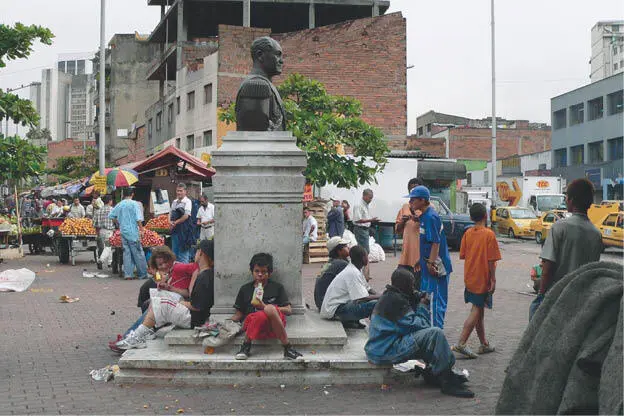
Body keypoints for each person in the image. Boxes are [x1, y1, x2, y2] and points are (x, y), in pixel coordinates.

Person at [365, 268, 475, 398]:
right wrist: (422, 306)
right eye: (411, 285)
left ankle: (436, 374)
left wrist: (415, 298)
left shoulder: (390, 296)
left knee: (427, 340)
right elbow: (421, 325)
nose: (413, 288)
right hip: (384, 351)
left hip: (378, 348)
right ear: (403, 285)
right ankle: (447, 382)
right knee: (435, 333)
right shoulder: (396, 302)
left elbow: (409, 325)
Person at [116, 239, 215, 350]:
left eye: (197, 251)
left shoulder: (204, 276)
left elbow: (196, 306)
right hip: (194, 316)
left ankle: (137, 336)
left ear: (201, 253)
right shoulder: (205, 274)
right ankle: (144, 332)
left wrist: (180, 302)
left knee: (162, 303)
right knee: (157, 299)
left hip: (194, 319)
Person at [530, 178, 602, 320]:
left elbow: (548, 266)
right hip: (582, 299)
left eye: (567, 197)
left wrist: (541, 295)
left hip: (557, 296)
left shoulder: (559, 227)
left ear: (572, 200)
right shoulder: (596, 234)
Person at [231, 253, 303, 360]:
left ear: (269, 273)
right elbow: (239, 314)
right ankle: (287, 348)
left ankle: (246, 345)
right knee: (260, 315)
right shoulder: (245, 289)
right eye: (257, 271)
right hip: (253, 324)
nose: (260, 275)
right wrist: (225, 324)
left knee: (268, 309)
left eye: (264, 272)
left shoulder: (277, 287)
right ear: (252, 272)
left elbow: (288, 310)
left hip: (274, 325)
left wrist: (266, 307)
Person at [452, 203, 501, 359]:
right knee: (476, 310)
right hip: (482, 277)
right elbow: (491, 260)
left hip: (470, 276)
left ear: (471, 218)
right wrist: (493, 279)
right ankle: (461, 342)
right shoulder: (489, 234)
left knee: (478, 309)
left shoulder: (468, 233)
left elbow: (464, 255)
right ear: (486, 216)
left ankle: (484, 344)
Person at [408, 185, 453, 329]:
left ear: (422, 200)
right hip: (428, 264)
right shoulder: (425, 216)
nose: (411, 203)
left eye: (413, 200)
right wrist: (420, 260)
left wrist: (431, 263)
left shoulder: (431, 217)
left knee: (435, 303)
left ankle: (435, 335)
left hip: (436, 267)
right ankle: (431, 332)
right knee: (429, 300)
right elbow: (427, 242)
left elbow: (435, 243)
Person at [320, 245, 379, 327]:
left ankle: (351, 321)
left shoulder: (356, 269)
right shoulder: (352, 272)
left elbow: (368, 288)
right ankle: (378, 330)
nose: (368, 259)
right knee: (376, 304)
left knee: (376, 301)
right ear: (362, 258)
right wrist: (381, 297)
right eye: (366, 256)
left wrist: (380, 294)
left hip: (339, 307)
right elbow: (362, 298)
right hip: (335, 311)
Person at [109, 187, 148, 280]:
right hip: (133, 232)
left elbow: (111, 216)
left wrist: (119, 222)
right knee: (138, 253)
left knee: (127, 253)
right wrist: (142, 229)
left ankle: (128, 274)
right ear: (132, 194)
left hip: (123, 232)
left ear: (124, 195)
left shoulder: (120, 204)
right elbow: (138, 219)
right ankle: (142, 274)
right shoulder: (134, 204)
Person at [395, 178, 423, 284]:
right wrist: (403, 221)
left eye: (416, 189)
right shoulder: (405, 207)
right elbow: (397, 230)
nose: (413, 192)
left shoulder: (428, 209)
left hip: (420, 258)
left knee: (418, 288)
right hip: (405, 258)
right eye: (411, 190)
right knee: (401, 285)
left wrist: (419, 218)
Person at [314, 236, 350, 310]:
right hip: (329, 305)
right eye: (345, 246)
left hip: (321, 303)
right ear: (339, 251)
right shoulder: (341, 264)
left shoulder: (330, 263)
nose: (348, 248)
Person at [170, 183, 193, 263]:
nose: (178, 192)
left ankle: (184, 272)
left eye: (181, 191)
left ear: (185, 191)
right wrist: (169, 222)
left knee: (183, 253)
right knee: (174, 253)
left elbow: (186, 216)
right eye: (177, 191)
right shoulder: (174, 202)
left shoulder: (188, 202)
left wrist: (175, 222)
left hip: (184, 231)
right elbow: (171, 213)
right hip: (175, 230)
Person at [93, 195, 115, 268]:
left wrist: (97, 233)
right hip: (109, 231)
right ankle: (101, 260)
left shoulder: (99, 210)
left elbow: (94, 223)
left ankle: (110, 262)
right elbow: (116, 221)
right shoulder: (113, 210)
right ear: (109, 201)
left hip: (101, 231)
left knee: (107, 246)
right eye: (111, 200)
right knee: (108, 247)